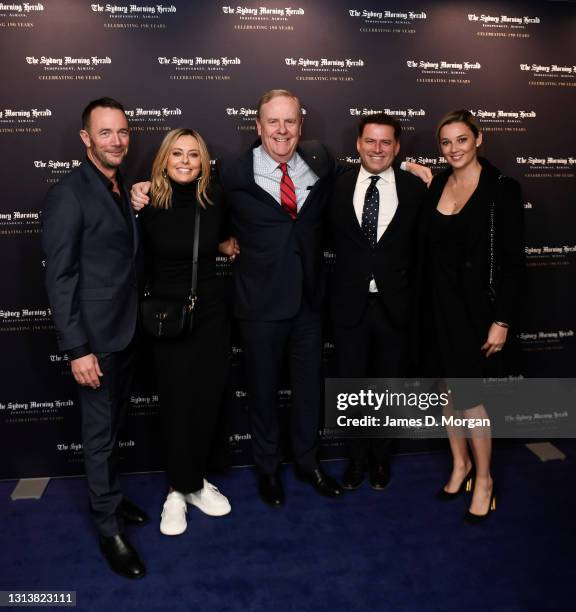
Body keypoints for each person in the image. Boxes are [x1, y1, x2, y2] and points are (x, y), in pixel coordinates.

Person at [132, 90, 431, 507]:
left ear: (301, 126)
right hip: (257, 305)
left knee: (308, 391)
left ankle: (309, 464)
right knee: (262, 391)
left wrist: (410, 167)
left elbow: (370, 172)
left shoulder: (321, 161)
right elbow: (191, 202)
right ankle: (268, 470)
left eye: (290, 121)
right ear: (258, 126)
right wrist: (144, 187)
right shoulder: (233, 171)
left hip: (309, 303)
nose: (282, 130)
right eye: (273, 122)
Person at [42, 98, 147, 579]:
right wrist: (77, 349)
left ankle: (114, 501)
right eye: (105, 133)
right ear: (86, 138)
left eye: (122, 132)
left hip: (126, 333)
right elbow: (60, 277)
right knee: (99, 437)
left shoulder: (120, 185)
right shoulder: (69, 193)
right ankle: (109, 530)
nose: (117, 141)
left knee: (115, 427)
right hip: (94, 342)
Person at [419, 109, 524, 523]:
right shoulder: (439, 183)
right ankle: (460, 465)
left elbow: (513, 262)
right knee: (447, 390)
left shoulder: (502, 189)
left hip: (475, 310)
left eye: (462, 140)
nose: (454, 149)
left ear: (479, 139)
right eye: (446, 143)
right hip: (436, 306)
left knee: (471, 398)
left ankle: (484, 480)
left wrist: (503, 319)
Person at [136, 128, 237, 536]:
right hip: (167, 316)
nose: (184, 161)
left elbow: (226, 241)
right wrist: (134, 193)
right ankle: (178, 490)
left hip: (211, 311)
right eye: (176, 153)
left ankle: (196, 482)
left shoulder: (214, 198)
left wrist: (228, 247)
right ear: (164, 159)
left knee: (207, 398)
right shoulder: (146, 202)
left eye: (193, 155)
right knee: (177, 401)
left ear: (203, 162)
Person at [328, 113, 427, 491]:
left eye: (386, 142)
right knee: (352, 388)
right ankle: (355, 462)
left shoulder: (414, 187)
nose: (378, 149)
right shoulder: (335, 185)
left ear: (397, 147)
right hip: (348, 306)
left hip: (395, 308)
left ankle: (381, 460)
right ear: (358, 144)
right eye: (370, 141)